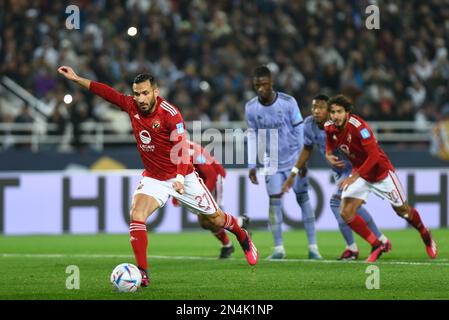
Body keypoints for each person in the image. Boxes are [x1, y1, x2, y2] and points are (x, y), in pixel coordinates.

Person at [57, 66, 259, 287]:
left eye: (145, 93)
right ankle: (143, 273)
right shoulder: (131, 106)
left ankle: (242, 236)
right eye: (136, 93)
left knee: (215, 219)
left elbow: (182, 149)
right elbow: (106, 92)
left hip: (183, 176)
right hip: (154, 179)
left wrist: (180, 178)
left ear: (156, 92)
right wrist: (76, 79)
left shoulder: (170, 114)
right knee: (137, 214)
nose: (140, 98)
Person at [324, 94, 437, 262]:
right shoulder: (329, 126)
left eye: (339, 112)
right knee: (345, 211)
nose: (335, 116)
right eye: (332, 112)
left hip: (381, 173)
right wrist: (328, 154)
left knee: (403, 211)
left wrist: (355, 176)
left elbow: (374, 156)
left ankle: (425, 233)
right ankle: (377, 244)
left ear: (347, 112)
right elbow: (330, 140)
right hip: (361, 174)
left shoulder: (360, 127)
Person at [282, 95, 387, 260]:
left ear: (329, 111)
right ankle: (381, 239)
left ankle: (352, 248)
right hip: (340, 172)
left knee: (336, 202)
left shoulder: (338, 125)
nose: (317, 111)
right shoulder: (309, 125)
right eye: (314, 107)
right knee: (353, 208)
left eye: (321, 108)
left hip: (353, 168)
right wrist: (294, 172)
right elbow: (307, 149)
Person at [245, 65, 322, 260]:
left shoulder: (288, 103)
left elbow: (299, 131)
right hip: (271, 163)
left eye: (264, 84)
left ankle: (313, 247)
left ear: (272, 83)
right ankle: (278, 248)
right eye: (257, 85)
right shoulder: (251, 107)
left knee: (303, 198)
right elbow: (253, 136)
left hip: (293, 161)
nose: (260, 88)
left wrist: (301, 161)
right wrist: (251, 164)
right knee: (274, 203)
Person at [171, 140, 250, 259]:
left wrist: (202, 197)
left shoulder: (192, 152)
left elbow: (212, 175)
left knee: (212, 217)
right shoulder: (171, 150)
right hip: (200, 181)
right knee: (204, 223)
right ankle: (231, 239)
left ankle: (238, 226)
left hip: (216, 178)